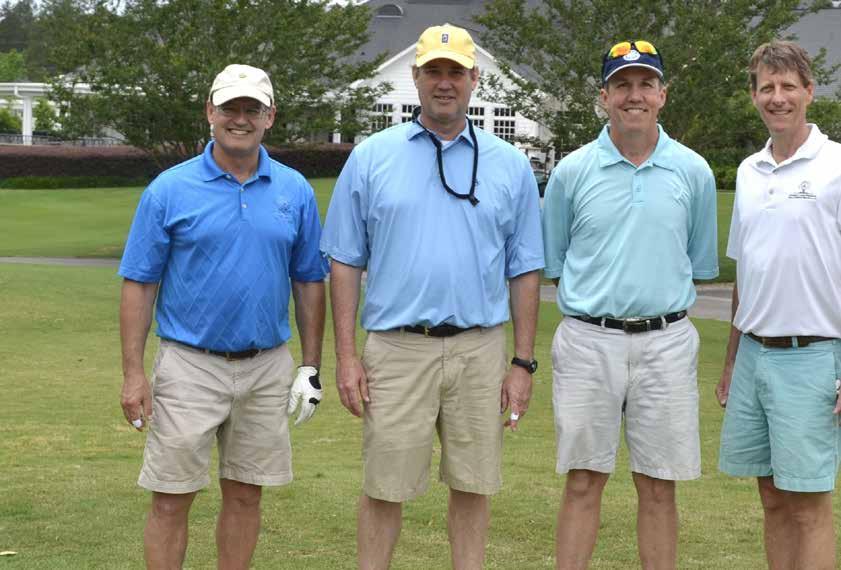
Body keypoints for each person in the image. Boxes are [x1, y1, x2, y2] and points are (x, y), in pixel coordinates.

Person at [320, 23, 544, 570]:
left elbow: (525, 268)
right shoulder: (371, 157)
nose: (445, 83)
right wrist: (346, 356)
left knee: (473, 485)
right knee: (384, 488)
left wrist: (522, 363)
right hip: (397, 348)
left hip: (479, 349)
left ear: (474, 79)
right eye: (434, 72)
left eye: (456, 72)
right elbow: (345, 261)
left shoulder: (510, 164)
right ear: (417, 77)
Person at [118, 64, 328, 569]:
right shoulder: (169, 189)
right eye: (230, 107)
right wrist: (133, 373)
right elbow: (140, 283)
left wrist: (311, 367)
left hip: (265, 367)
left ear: (270, 117)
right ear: (210, 112)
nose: (240, 118)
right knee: (171, 498)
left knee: (246, 495)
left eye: (252, 109)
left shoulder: (295, 190)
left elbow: (308, 281)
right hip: (189, 365)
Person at [542, 40, 718, 569]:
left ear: (663, 94)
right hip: (587, 340)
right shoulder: (572, 172)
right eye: (622, 85)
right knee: (583, 480)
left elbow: (698, 260)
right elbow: (556, 257)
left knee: (659, 485)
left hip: (666, 342)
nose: (633, 95)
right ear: (604, 96)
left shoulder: (693, 171)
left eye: (645, 84)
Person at [716, 40, 841, 570]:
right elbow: (746, 272)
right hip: (754, 357)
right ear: (754, 96)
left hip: (812, 357)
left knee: (809, 506)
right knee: (770, 497)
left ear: (809, 91)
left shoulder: (836, 164)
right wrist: (730, 362)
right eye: (766, 87)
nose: (778, 97)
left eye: (788, 85)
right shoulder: (750, 171)